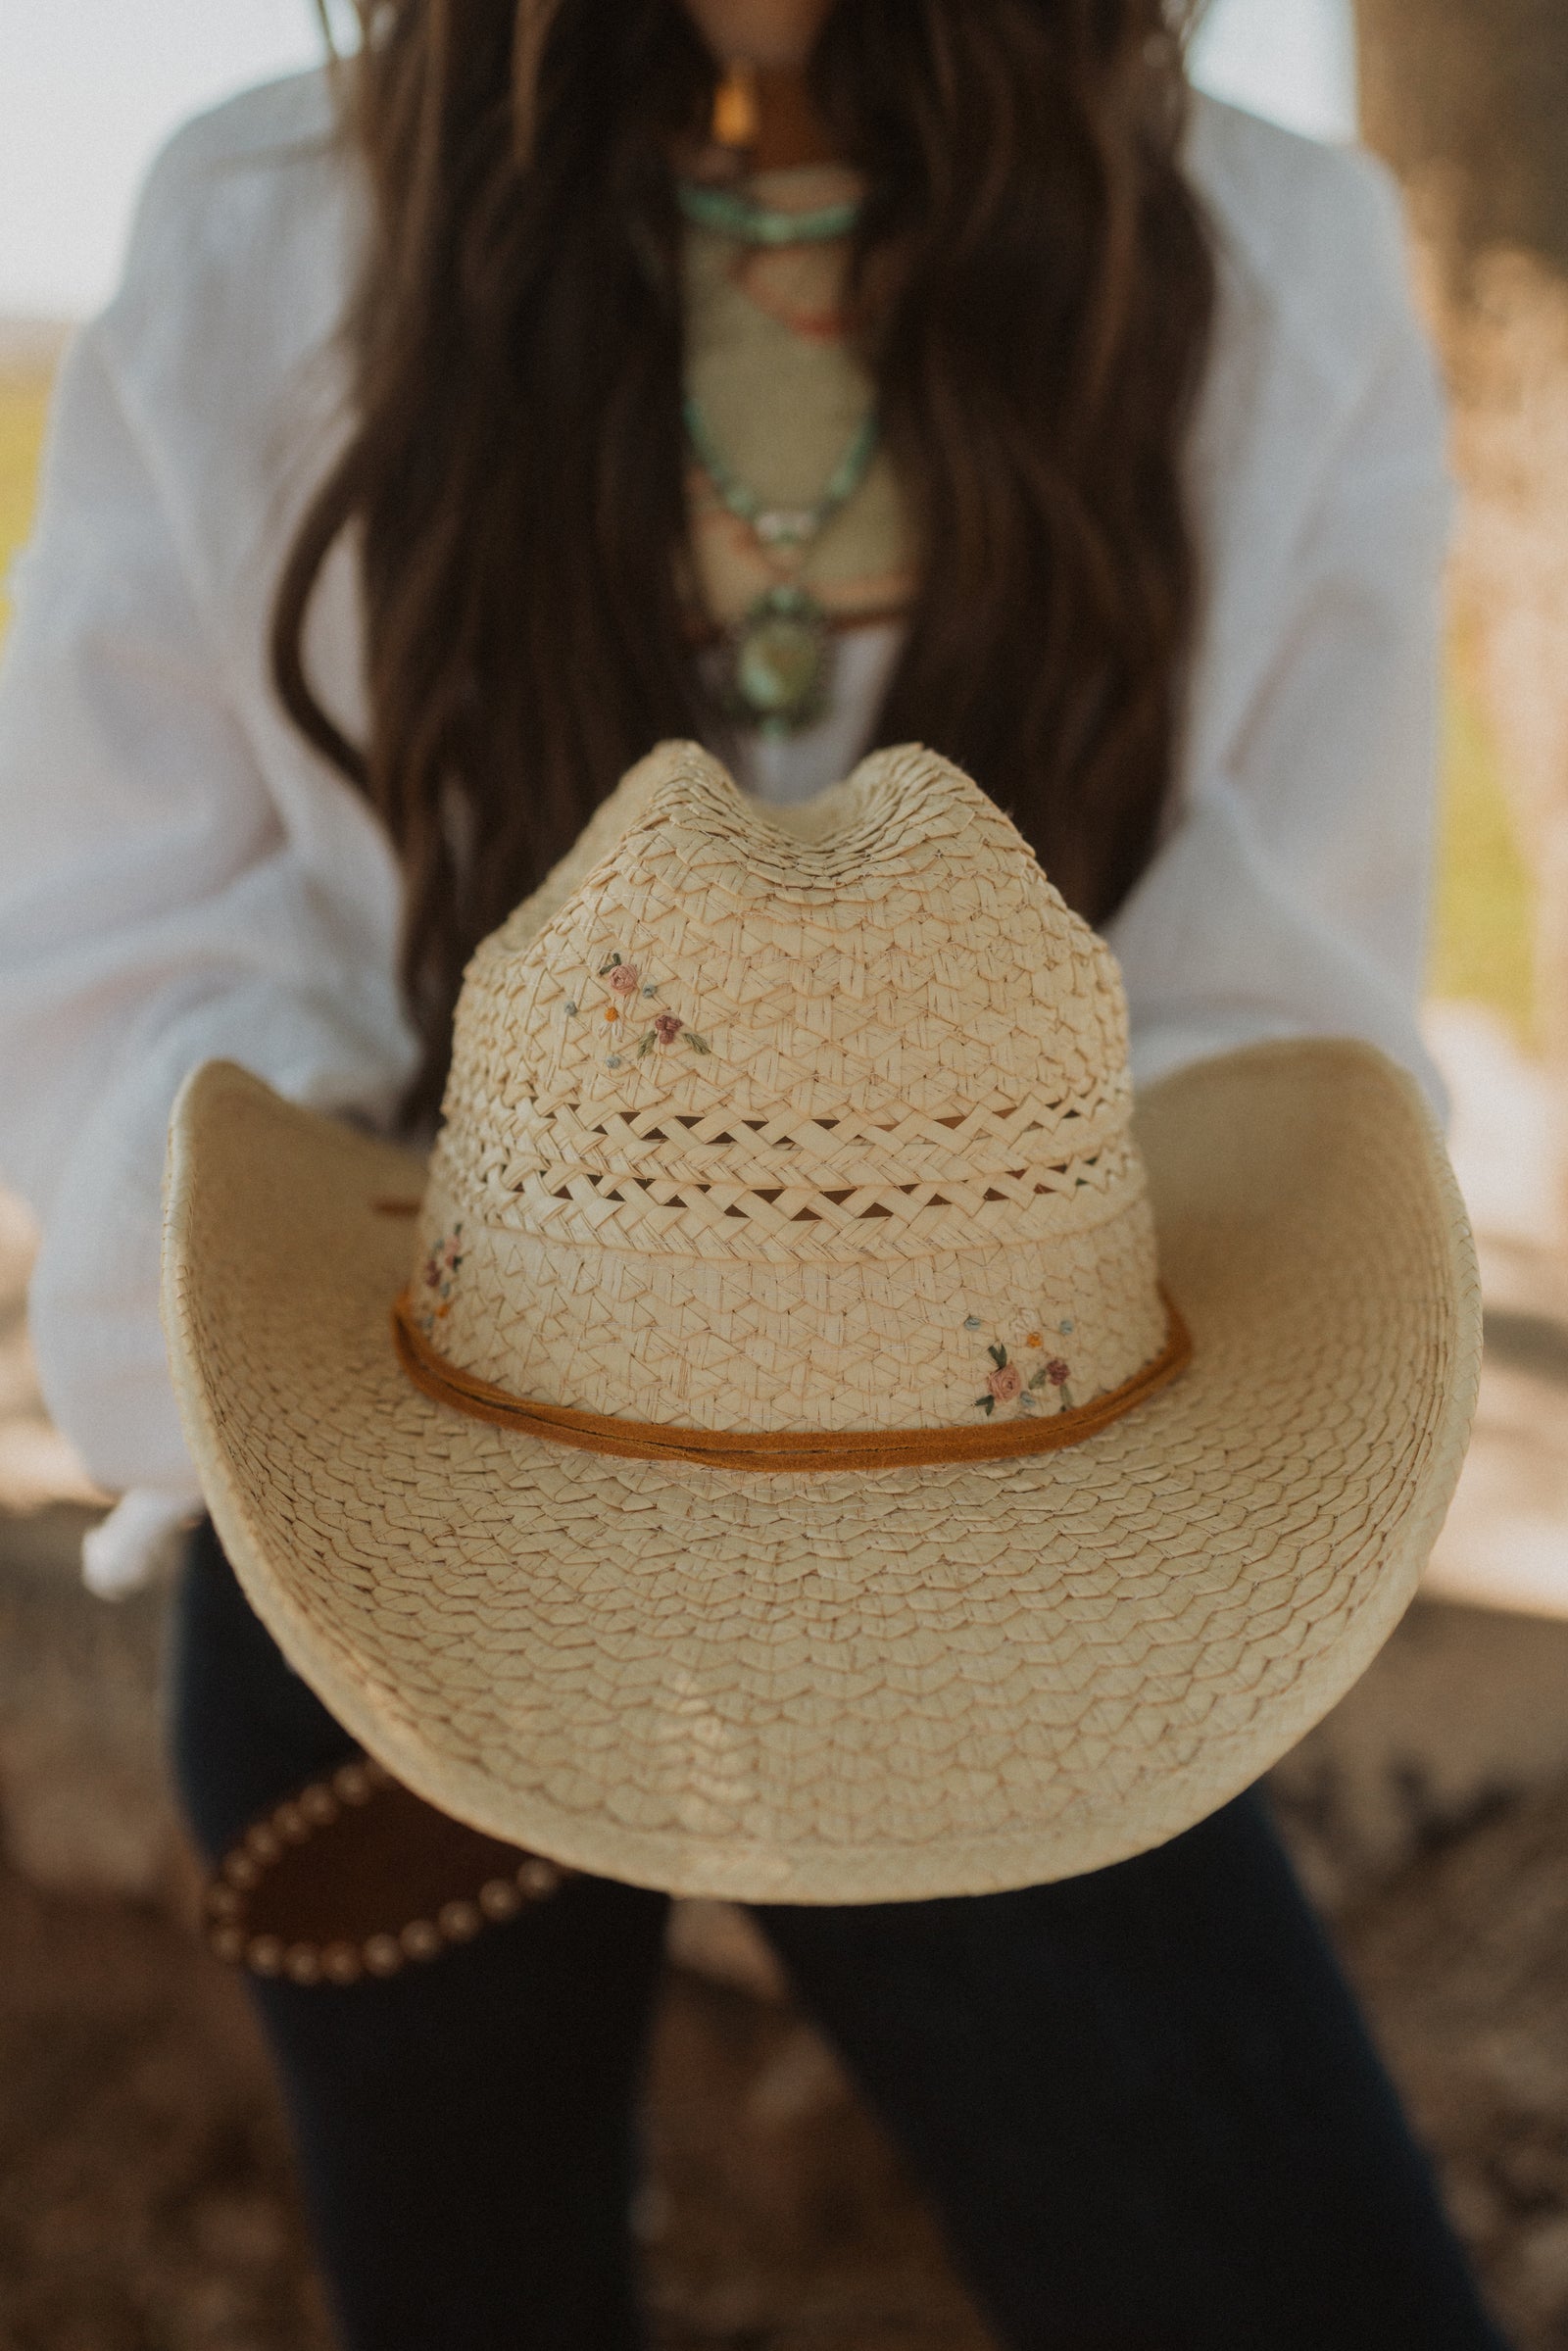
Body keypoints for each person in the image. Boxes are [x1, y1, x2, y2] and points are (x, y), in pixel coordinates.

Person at [0, 3, 1510, 2346]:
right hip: (413, 1498)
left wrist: (889, 1287)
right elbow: (132, 939)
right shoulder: (259, 229)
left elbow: (1260, 1008)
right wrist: (551, 1279)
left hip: (1022, 1538)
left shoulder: (1272, 264)